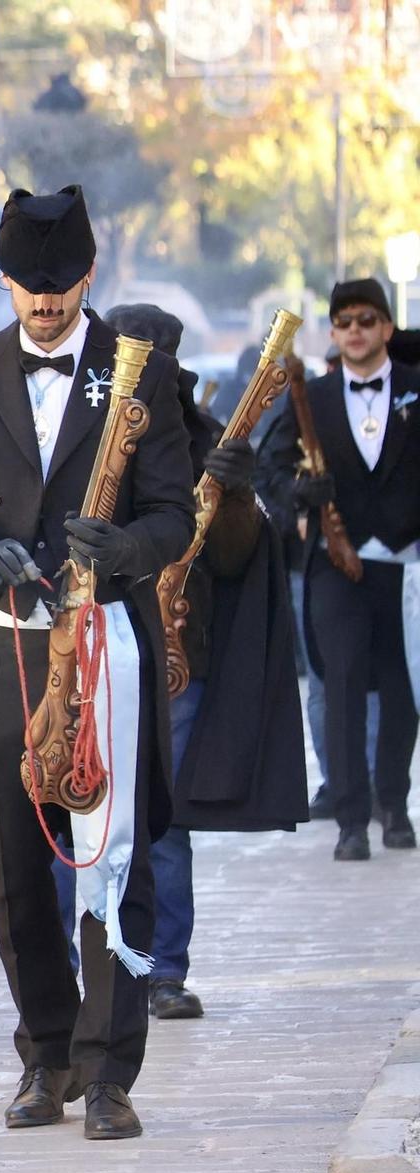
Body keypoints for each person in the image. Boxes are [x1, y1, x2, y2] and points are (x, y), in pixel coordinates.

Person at [0, 185, 195, 1141]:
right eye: (29, 288)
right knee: (13, 865)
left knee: (111, 859)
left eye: (62, 286)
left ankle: (110, 1069)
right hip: (5, 649)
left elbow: (176, 513)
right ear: (3, 281)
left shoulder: (137, 371)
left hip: (106, 641)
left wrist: (122, 552)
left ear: (89, 275)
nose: (45, 304)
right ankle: (45, 1053)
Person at [52, 303, 304, 1021]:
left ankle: (162, 968)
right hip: (76, 647)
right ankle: (65, 969)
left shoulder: (200, 439)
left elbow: (231, 556)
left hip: (170, 659)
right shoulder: (70, 433)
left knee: (158, 815)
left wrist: (237, 490)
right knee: (66, 801)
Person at [258, 278, 420, 861]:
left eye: (367, 319)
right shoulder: (310, 398)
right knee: (344, 684)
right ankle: (352, 821)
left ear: (386, 327)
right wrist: (300, 493)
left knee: (402, 691)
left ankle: (394, 806)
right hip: (335, 564)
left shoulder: (416, 390)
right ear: (332, 332)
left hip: (406, 570)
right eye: (345, 321)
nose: (355, 330)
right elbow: (268, 471)